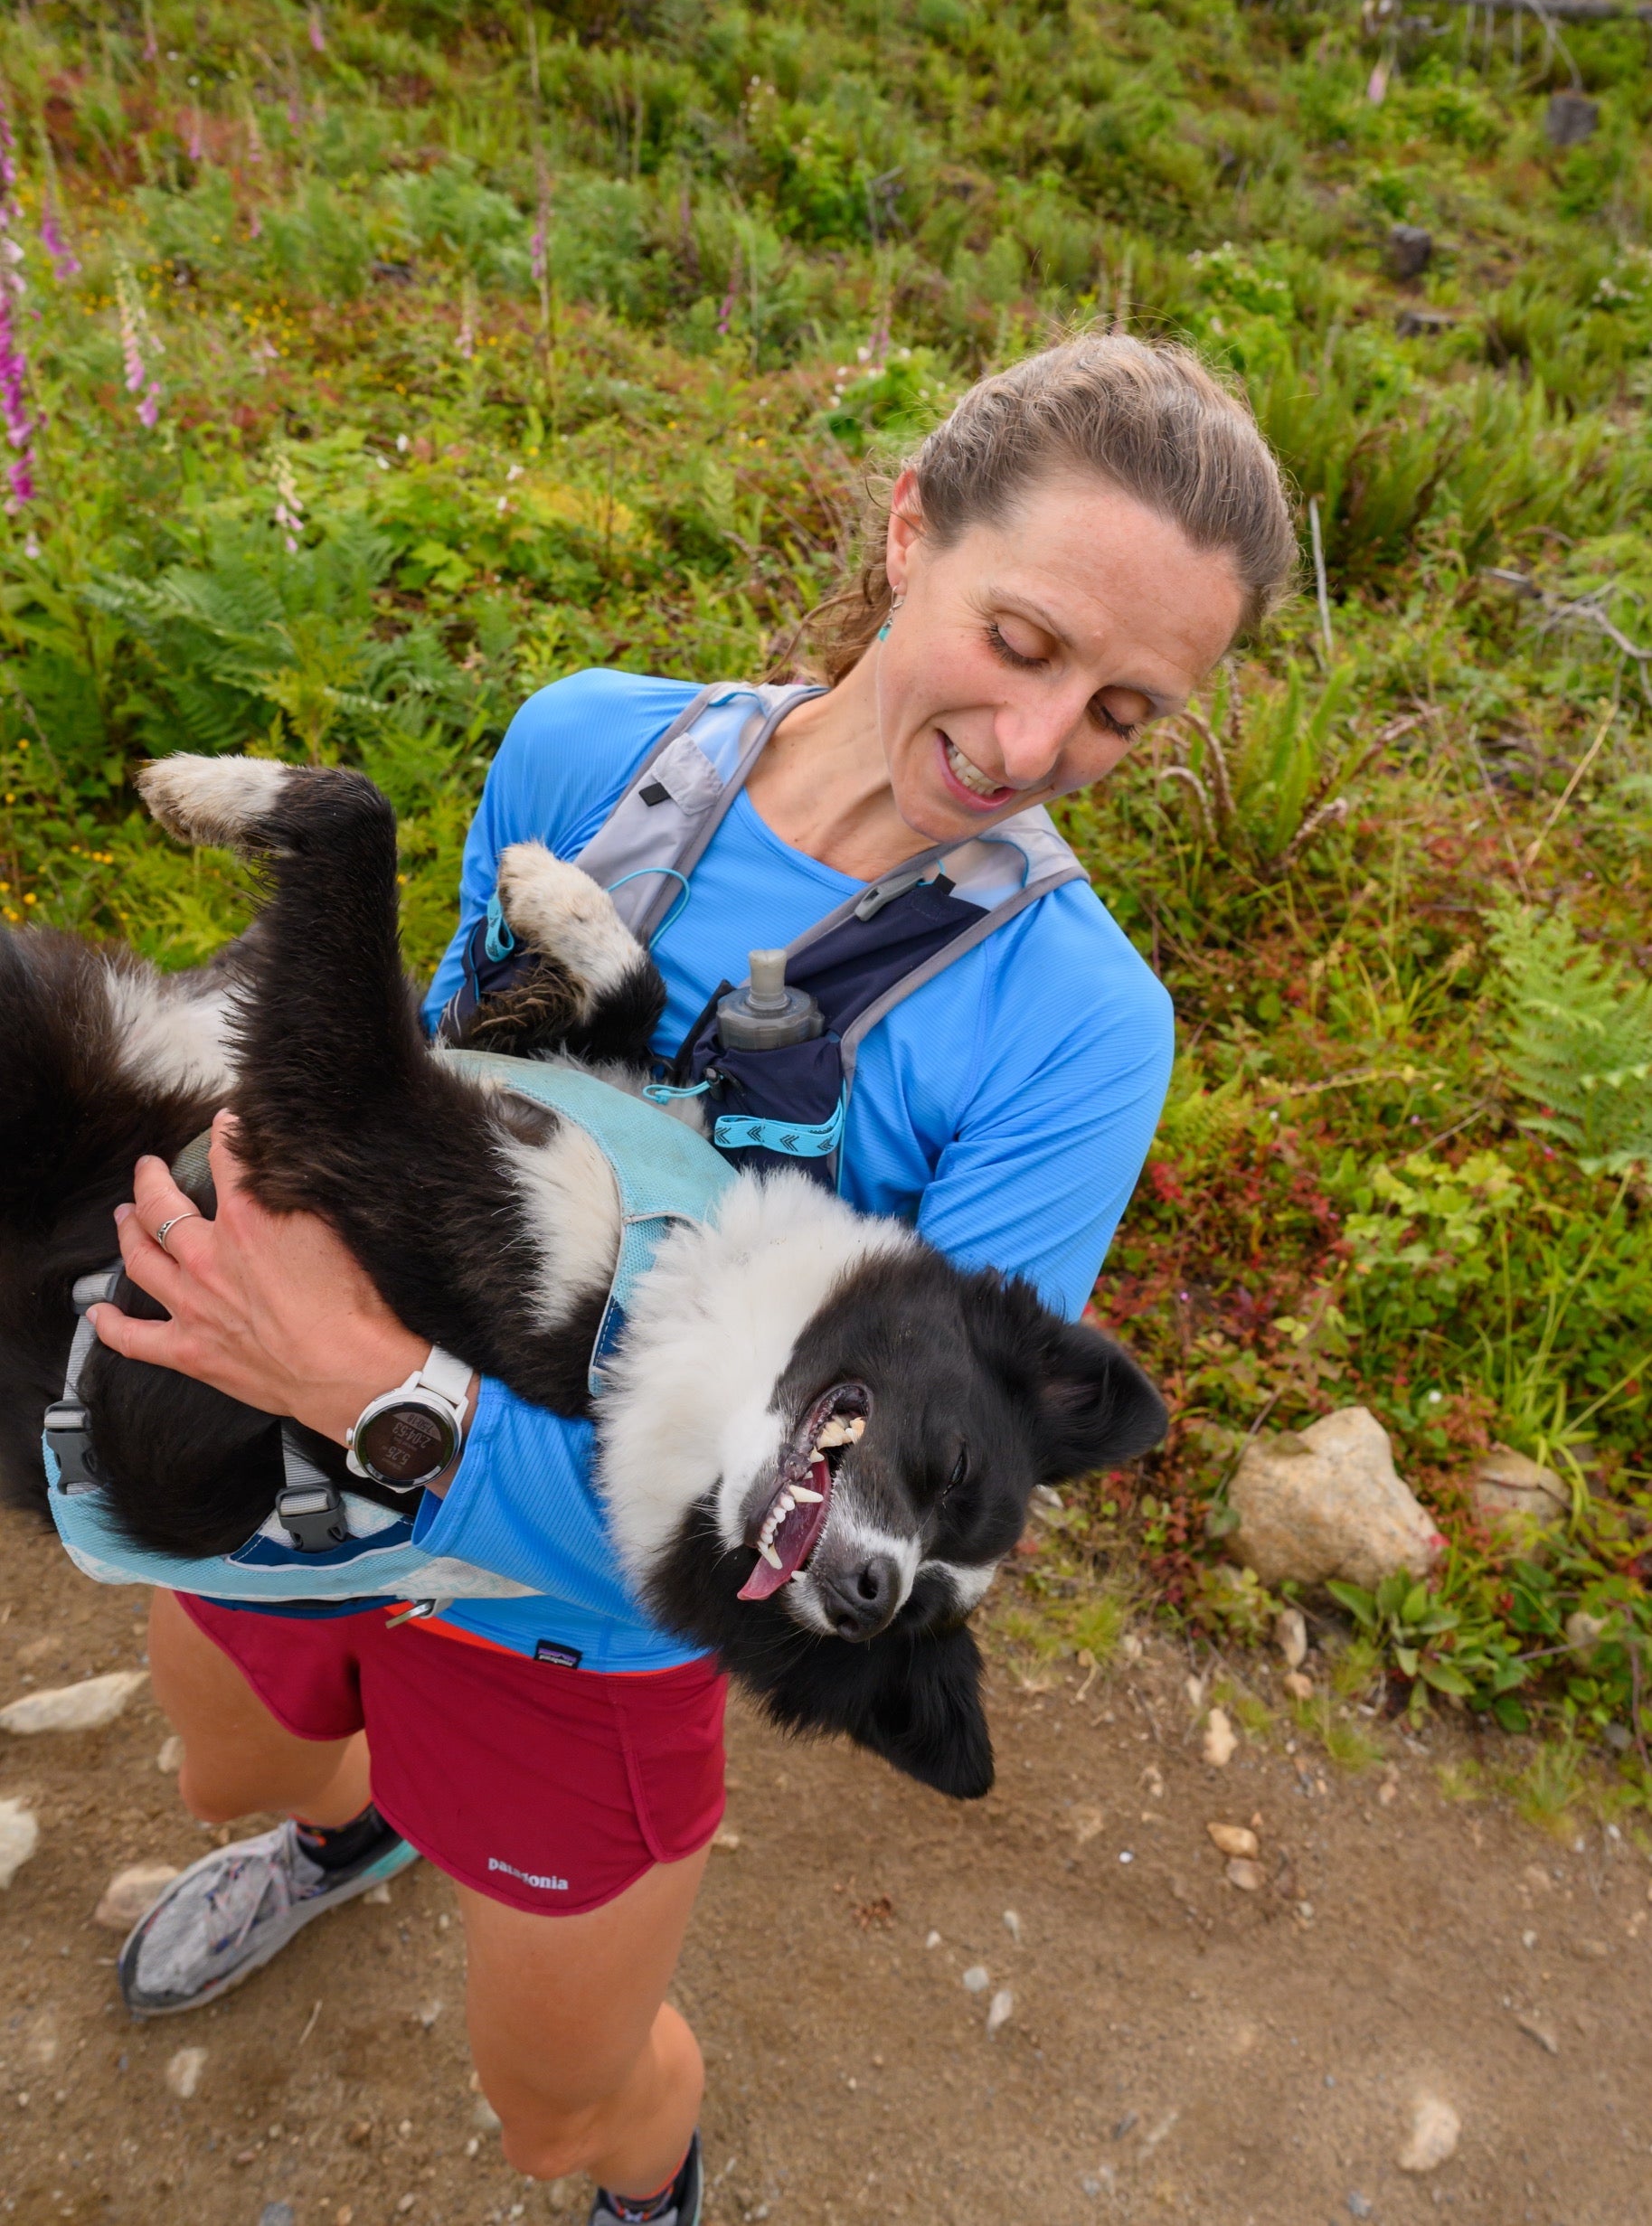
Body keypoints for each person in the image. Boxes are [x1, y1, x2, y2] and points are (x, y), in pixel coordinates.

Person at [91, 334, 1294, 2226]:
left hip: (578, 1615)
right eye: (1028, 640)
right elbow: (436, 1084)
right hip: (303, 1448)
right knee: (231, 1760)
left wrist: (375, 1398)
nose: (1044, 746)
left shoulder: (1073, 1030)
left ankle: (641, 2190)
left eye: (1127, 712)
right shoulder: (589, 745)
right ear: (908, 531)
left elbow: (801, 1560)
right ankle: (348, 1835)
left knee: (556, 2108)